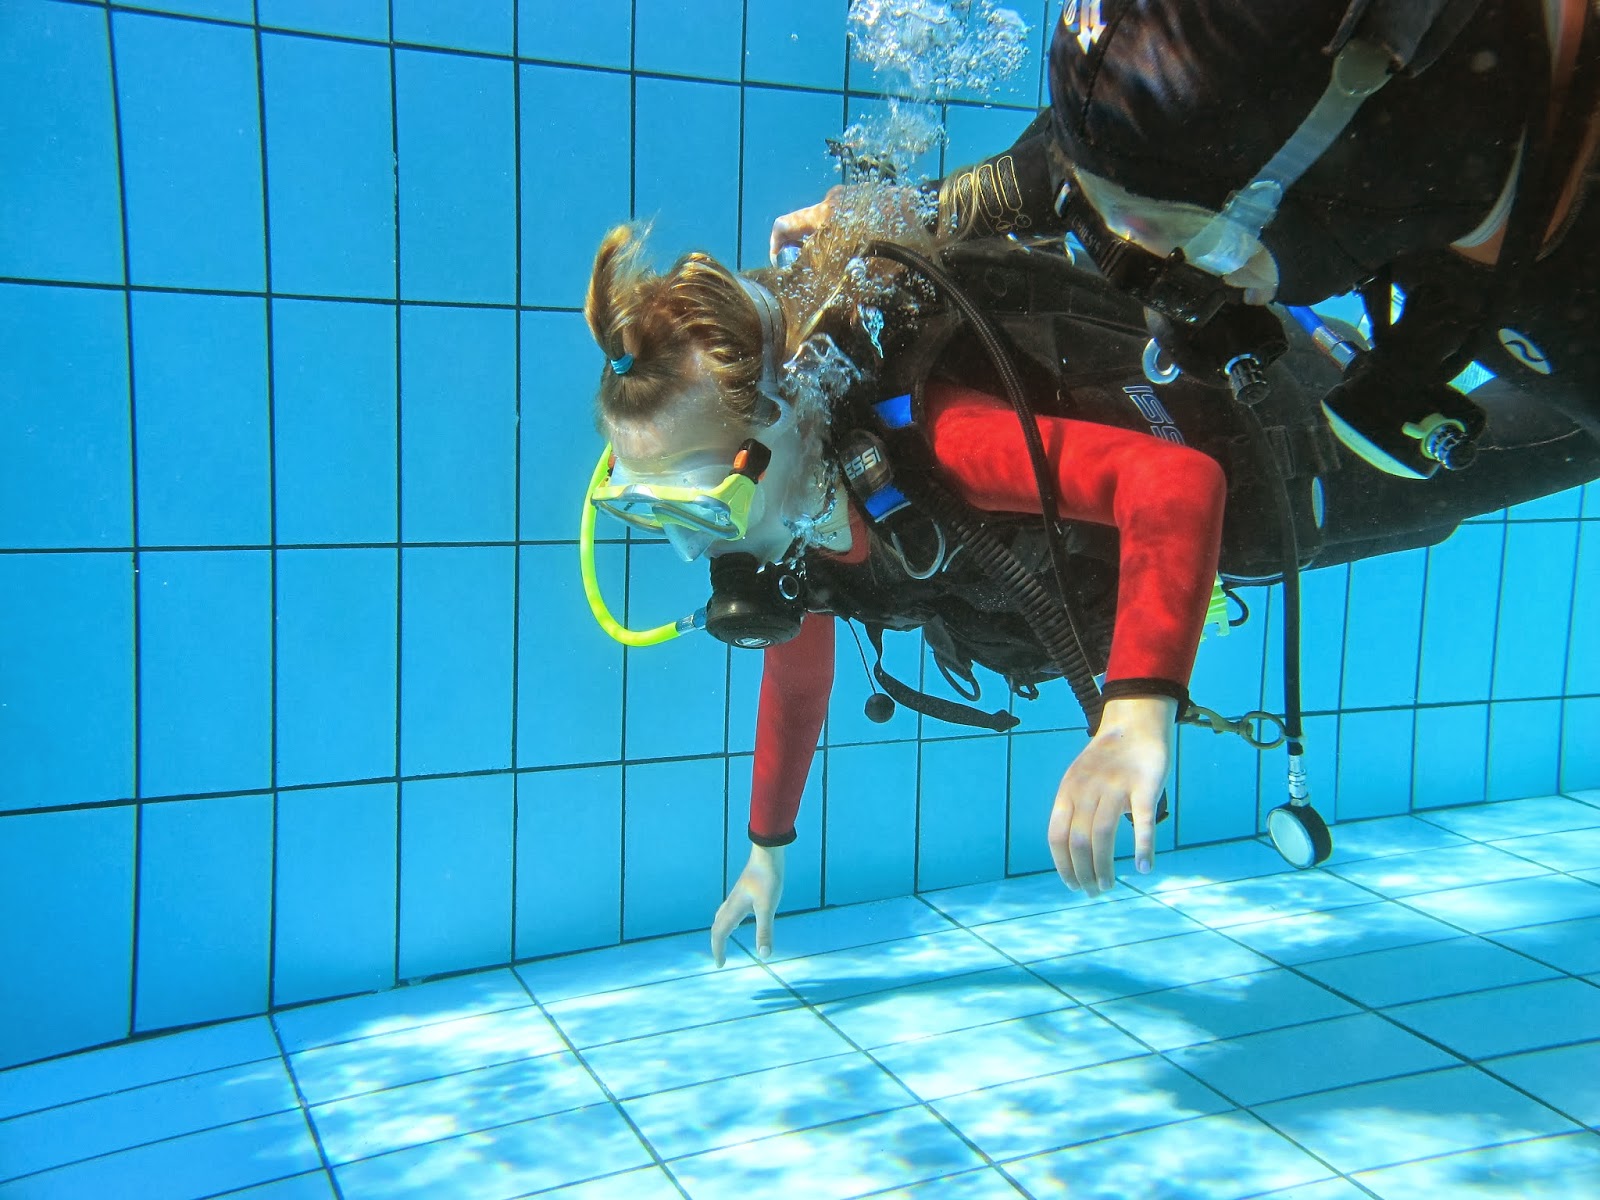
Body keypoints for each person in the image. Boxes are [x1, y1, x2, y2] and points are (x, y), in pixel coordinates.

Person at [578, 209, 1600, 964]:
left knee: (1527, 448)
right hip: (1195, 546)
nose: (695, 539)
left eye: (704, 497)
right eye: (652, 509)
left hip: (1284, 467)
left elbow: (1173, 481)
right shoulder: (793, 536)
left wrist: (1132, 718)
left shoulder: (934, 440)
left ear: (786, 422)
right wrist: (767, 851)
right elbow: (796, 682)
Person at [773, 0, 1600, 481]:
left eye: (1175, 238)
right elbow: (1066, 175)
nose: (1153, 282)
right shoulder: (1409, 111)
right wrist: (901, 217)